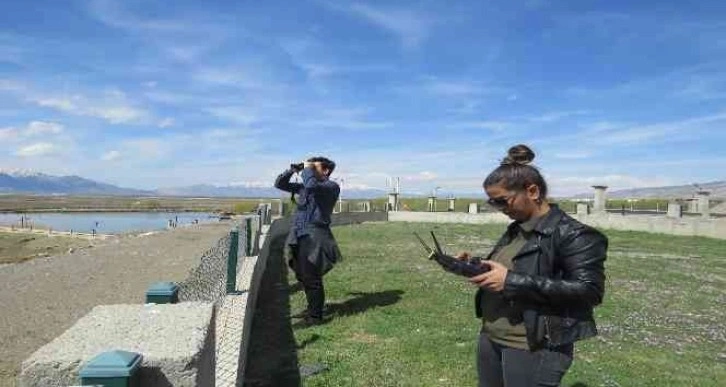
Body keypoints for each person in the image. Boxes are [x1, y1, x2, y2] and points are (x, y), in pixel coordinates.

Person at [457, 144, 608, 387]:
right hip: (493, 335)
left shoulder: (575, 235)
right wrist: (473, 265)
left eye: (503, 201)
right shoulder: (518, 228)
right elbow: (511, 267)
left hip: (533, 345)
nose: (500, 210)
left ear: (533, 191)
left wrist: (510, 281)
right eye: (493, 203)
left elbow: (589, 291)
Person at [274, 156, 342, 325]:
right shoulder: (306, 187)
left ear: (325, 170)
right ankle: (313, 308)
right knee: (302, 274)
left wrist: (307, 170)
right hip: (299, 234)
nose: (310, 169)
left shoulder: (331, 187)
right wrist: (293, 170)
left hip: (314, 235)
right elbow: (280, 184)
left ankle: (316, 316)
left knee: (311, 276)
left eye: (315, 167)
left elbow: (312, 185)